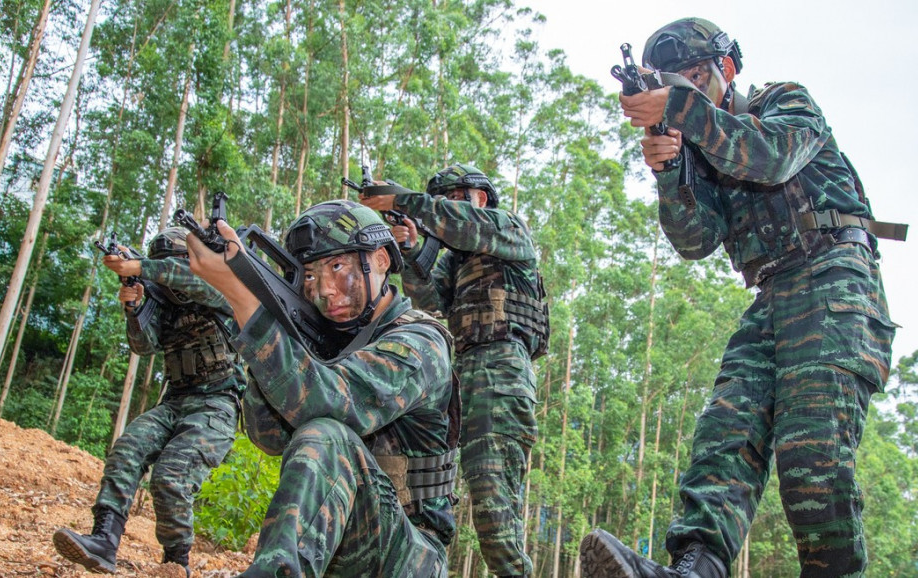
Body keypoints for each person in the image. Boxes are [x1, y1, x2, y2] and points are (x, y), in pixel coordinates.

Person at [580, 17, 904, 578]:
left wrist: (680, 114)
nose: (681, 90)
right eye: (670, 83)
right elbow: (695, 241)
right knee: (723, 441)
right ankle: (695, 570)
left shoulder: (785, 102)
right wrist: (670, 170)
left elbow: (771, 156)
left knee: (811, 457)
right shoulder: (700, 146)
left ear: (727, 69)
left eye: (693, 78)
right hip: (772, 296)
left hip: (834, 279)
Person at [185, 200, 459, 577]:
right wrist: (274, 334)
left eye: (337, 266)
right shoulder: (333, 341)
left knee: (326, 433)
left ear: (380, 260)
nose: (325, 289)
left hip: (411, 556)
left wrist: (244, 301)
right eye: (311, 275)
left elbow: (329, 405)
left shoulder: (420, 341)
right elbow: (268, 436)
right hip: (342, 550)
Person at [361, 164, 549, 578]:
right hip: (459, 376)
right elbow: (428, 304)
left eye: (451, 197)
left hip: (500, 372)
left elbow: (459, 224)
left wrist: (404, 201)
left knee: (493, 505)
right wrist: (410, 250)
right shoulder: (457, 263)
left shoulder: (506, 229)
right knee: (430, 491)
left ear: (479, 198)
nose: (442, 208)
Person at [53, 227, 246, 577]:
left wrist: (137, 266)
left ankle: (176, 564)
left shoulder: (214, 291)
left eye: (168, 266)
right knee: (128, 448)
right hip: (176, 401)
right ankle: (104, 540)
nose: (168, 276)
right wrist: (134, 307)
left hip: (217, 404)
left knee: (171, 475)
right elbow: (143, 346)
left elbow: (185, 278)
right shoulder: (163, 305)